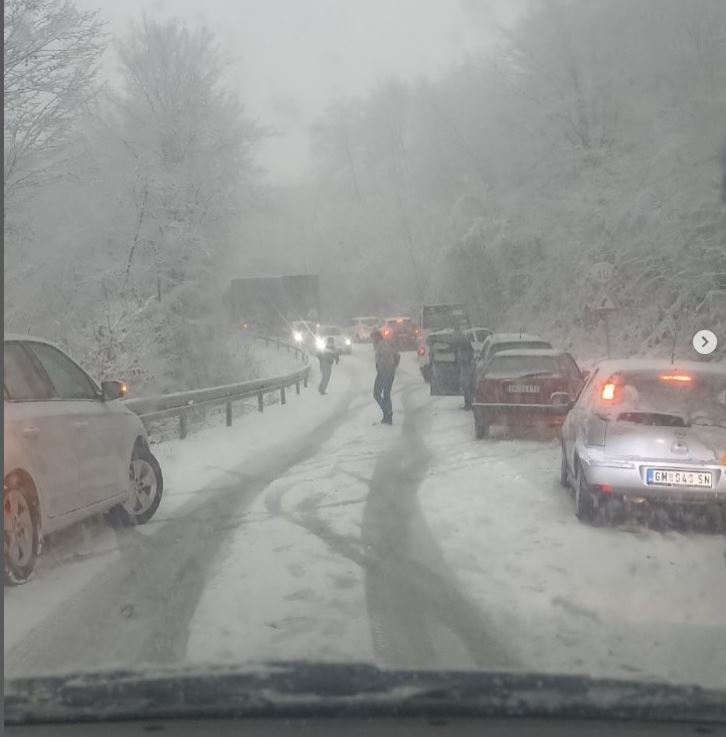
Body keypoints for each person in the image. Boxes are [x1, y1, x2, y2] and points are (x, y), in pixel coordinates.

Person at [371, 328, 400, 424]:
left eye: (373, 338)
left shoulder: (381, 346)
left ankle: (387, 413)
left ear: (377, 338)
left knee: (377, 393)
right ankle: (387, 415)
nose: (372, 341)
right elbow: (397, 356)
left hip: (384, 373)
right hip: (389, 373)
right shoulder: (385, 344)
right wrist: (394, 367)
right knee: (386, 394)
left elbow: (386, 359)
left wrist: (383, 369)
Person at [451, 326, 475, 410]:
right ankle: (469, 403)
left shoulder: (462, 342)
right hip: (466, 366)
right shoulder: (464, 341)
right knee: (467, 386)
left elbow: (463, 356)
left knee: (466, 386)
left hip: (465, 366)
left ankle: (469, 404)